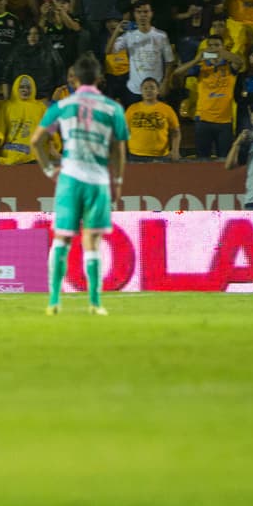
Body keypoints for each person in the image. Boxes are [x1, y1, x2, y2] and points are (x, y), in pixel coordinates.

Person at [30, 54, 129, 316]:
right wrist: (117, 181)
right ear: (99, 79)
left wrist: (50, 169)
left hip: (69, 178)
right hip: (97, 180)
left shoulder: (62, 106)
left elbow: (36, 141)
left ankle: (53, 301)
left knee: (61, 238)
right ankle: (95, 303)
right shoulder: (112, 109)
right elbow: (119, 150)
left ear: (74, 79)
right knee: (91, 240)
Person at [124, 76, 182, 161]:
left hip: (160, 156)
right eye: (145, 88)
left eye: (152, 88)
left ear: (158, 91)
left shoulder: (167, 109)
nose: (148, 91)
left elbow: (176, 132)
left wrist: (175, 150)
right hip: (135, 155)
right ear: (141, 91)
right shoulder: (132, 109)